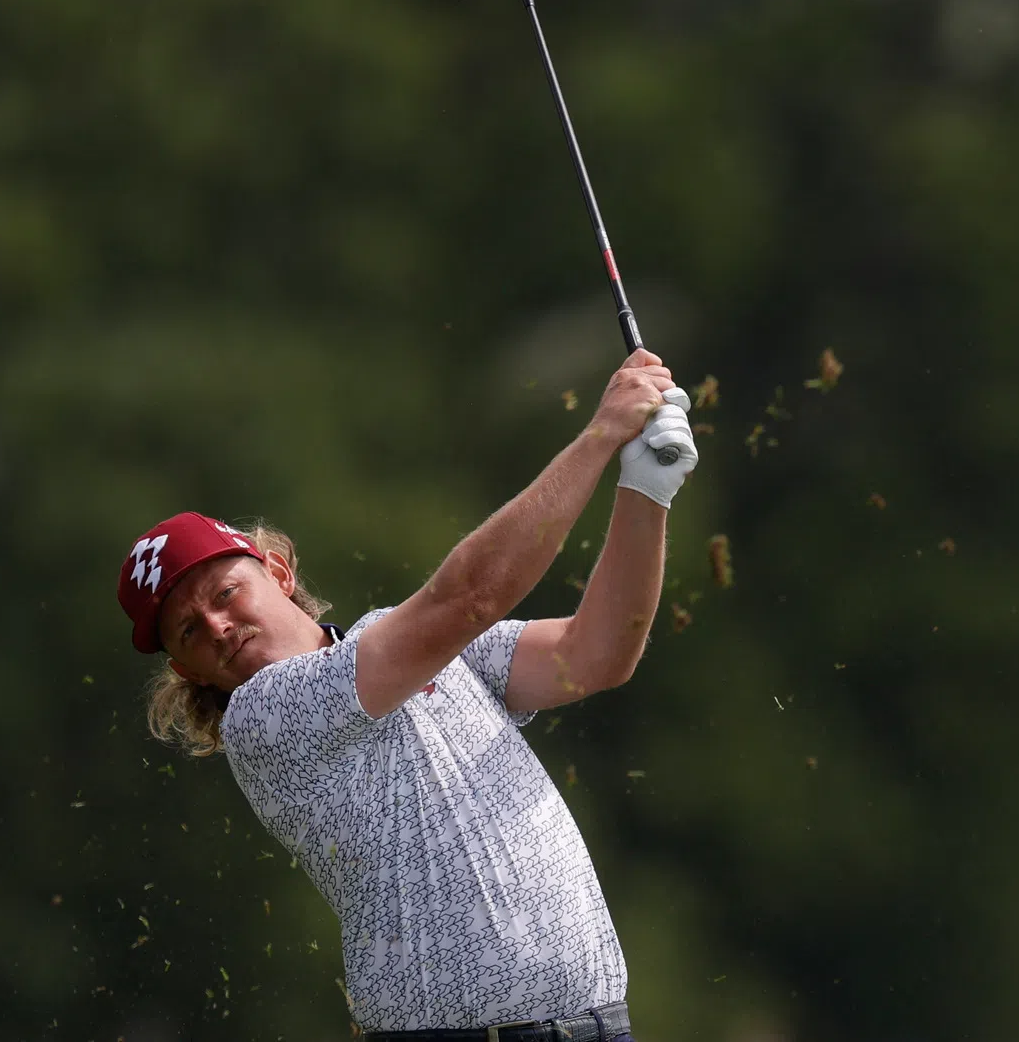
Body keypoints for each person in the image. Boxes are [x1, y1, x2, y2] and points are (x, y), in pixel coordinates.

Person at [117, 349, 698, 1042]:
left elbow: (596, 655)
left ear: (275, 568)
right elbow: (470, 597)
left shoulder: (407, 645)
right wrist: (601, 436)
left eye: (225, 592)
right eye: (188, 630)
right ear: (188, 672)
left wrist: (646, 493)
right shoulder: (265, 719)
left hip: (593, 1025)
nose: (216, 625)